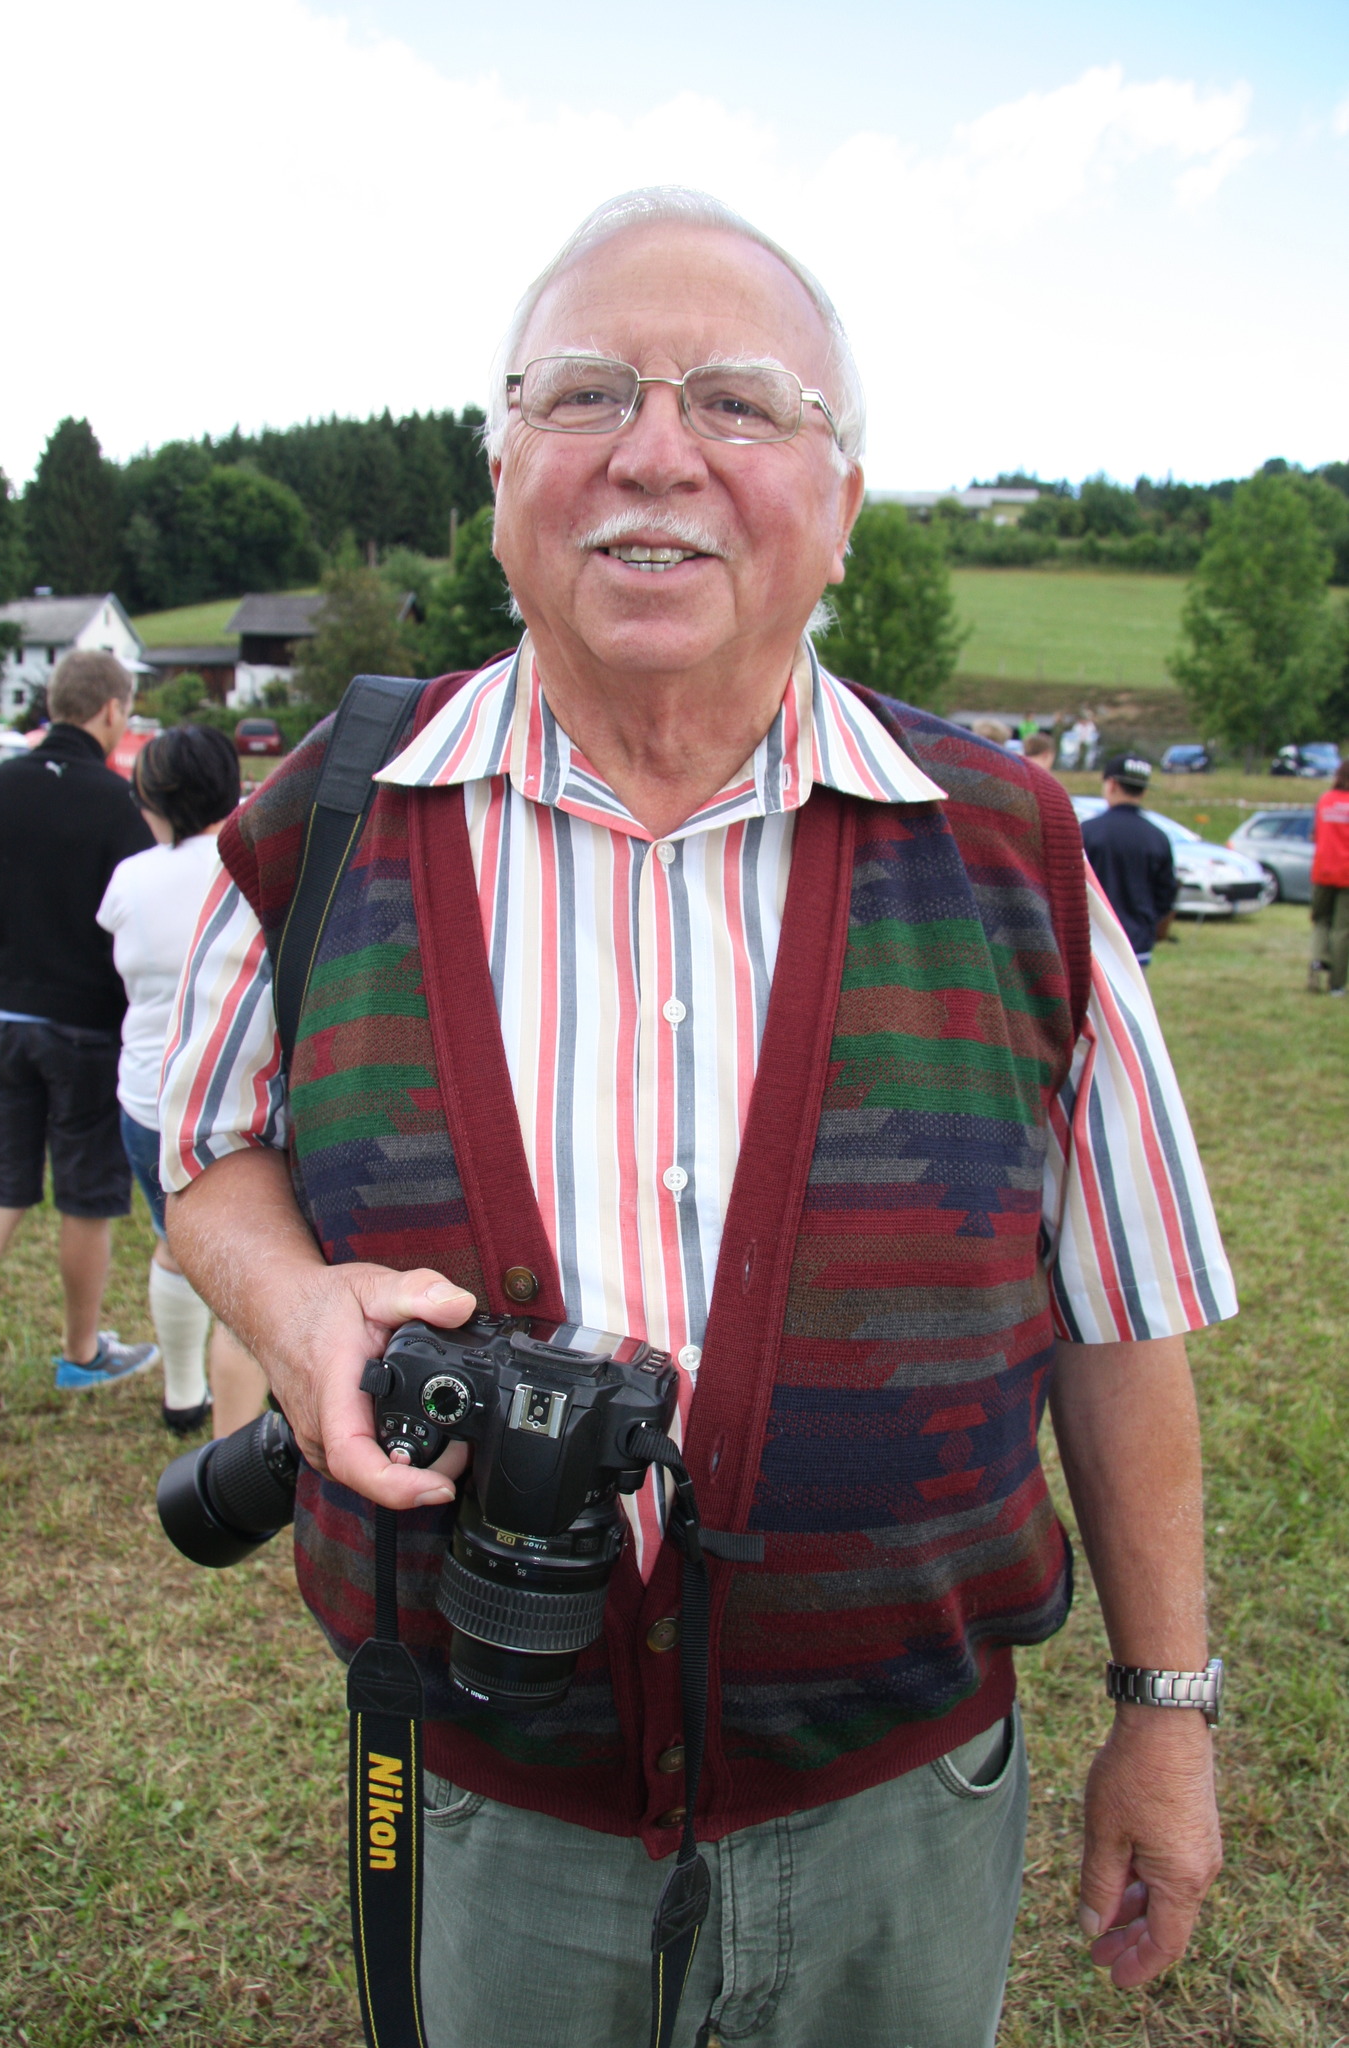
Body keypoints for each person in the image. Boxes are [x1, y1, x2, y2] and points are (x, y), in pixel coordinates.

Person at [161, 189, 1233, 2048]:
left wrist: (1166, 1703)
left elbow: (1120, 1317)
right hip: (482, 1790)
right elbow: (209, 1153)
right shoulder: (327, 821)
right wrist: (286, 1299)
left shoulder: (1012, 856)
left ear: (844, 498)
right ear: (501, 469)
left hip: (901, 1799)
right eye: (586, 395)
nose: (654, 450)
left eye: (739, 403)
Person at [0, 650, 159, 1388]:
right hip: (87, 1026)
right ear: (114, 712)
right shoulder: (122, 805)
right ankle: (82, 1353)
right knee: (86, 1197)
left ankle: (86, 1350)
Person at [96, 724, 269, 1432]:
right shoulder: (257, 866)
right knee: (248, 1277)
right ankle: (234, 1450)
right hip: (238, 1098)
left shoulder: (131, 880)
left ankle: (180, 1394)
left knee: (176, 1240)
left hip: (147, 1095)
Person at [1081, 752, 1178, 969]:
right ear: (1144, 790)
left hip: (1089, 940)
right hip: (1135, 941)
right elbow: (1166, 893)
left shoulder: (1086, 832)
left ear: (1112, 784)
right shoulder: (1158, 837)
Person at [1307, 758, 1349, 996]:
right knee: (1342, 929)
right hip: (1347, 875)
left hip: (1322, 871)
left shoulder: (1325, 800)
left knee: (1321, 921)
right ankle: (1337, 984)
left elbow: (1315, 835)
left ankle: (1316, 962)